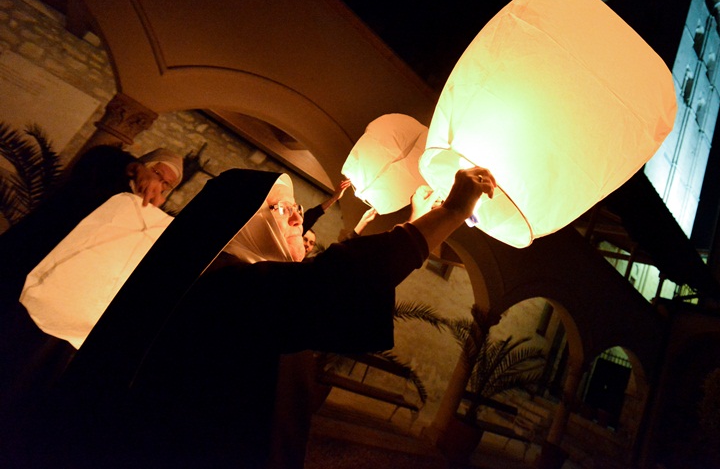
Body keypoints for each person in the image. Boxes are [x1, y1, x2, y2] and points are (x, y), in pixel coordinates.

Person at [14, 166, 495, 469]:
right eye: (276, 205)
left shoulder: (238, 284)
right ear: (232, 225)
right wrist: (448, 213)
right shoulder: (225, 287)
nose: (294, 213)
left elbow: (327, 295)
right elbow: (335, 283)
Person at [0, 146, 183, 317]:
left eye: (166, 183)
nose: (158, 183)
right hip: (29, 253)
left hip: (60, 289)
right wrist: (136, 168)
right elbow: (99, 156)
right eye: (157, 173)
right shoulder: (107, 176)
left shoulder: (147, 218)